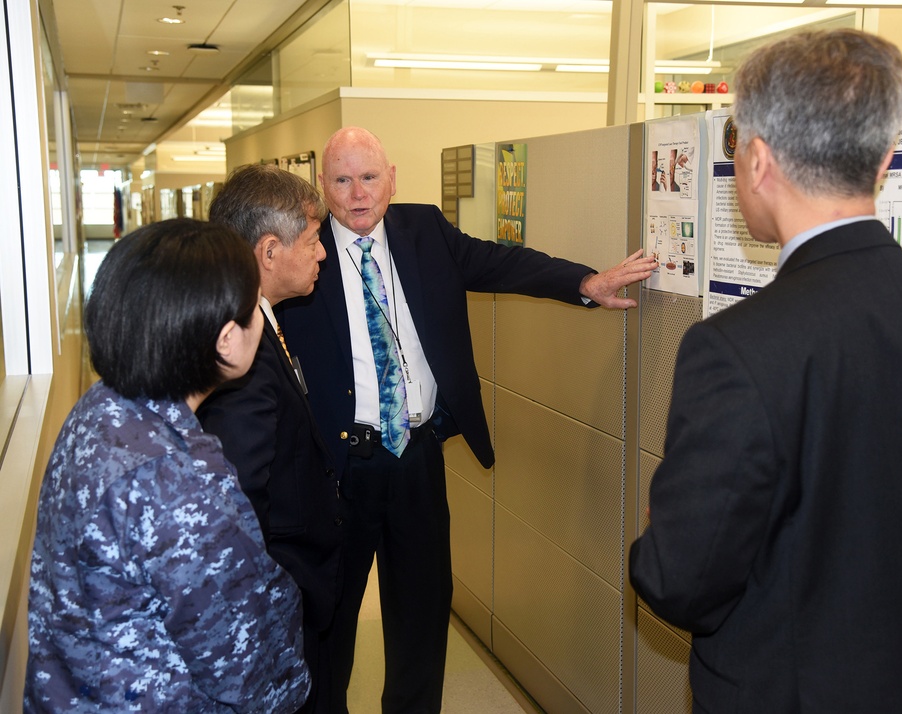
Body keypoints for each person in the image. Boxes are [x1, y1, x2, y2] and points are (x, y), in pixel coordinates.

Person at [629, 29, 902, 713]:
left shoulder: (735, 347)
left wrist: (665, 527)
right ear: (884, 159)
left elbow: (680, 579)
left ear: (759, 161)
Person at [278, 125, 657, 713]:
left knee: (423, 617)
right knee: (329, 625)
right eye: (343, 180)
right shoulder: (306, 253)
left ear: (392, 179)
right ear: (322, 186)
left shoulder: (423, 229)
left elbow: (500, 264)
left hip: (417, 458)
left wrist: (584, 282)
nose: (358, 193)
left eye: (370, 177)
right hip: (338, 469)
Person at [24, 218, 311, 713]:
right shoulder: (176, 477)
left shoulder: (100, 410)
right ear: (227, 340)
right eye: (252, 307)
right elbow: (239, 660)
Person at [198, 164, 348, 714]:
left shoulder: (261, 324)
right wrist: (280, 598)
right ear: (268, 251)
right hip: (282, 592)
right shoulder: (244, 362)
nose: (322, 254)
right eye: (312, 241)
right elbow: (241, 505)